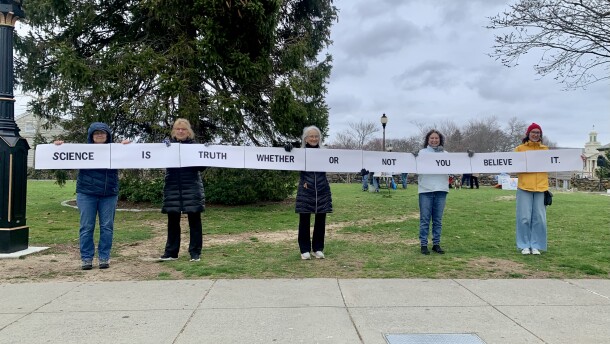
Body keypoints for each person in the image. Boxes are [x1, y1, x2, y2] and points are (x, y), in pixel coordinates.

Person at [54, 122, 130, 270]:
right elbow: (65, 163)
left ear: (107, 135)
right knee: (86, 227)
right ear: (91, 136)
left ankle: (104, 257)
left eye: (102, 132)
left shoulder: (115, 150)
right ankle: (87, 258)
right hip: (86, 194)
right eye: (96, 133)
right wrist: (58, 147)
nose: (100, 135)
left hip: (108, 194)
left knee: (107, 227)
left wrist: (127, 147)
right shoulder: (83, 151)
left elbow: (132, 157)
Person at [159, 118, 205, 262]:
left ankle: (195, 253)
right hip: (172, 187)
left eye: (183, 129)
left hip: (191, 187)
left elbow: (202, 167)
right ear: (173, 131)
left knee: (194, 221)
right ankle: (171, 252)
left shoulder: (195, 147)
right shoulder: (166, 146)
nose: (180, 131)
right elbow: (158, 160)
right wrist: (161, 149)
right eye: (177, 129)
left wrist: (205, 152)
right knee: (172, 221)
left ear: (188, 131)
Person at [286, 126, 332, 259]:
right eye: (311, 136)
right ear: (305, 139)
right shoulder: (300, 152)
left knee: (321, 220)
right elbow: (288, 158)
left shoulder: (325, 152)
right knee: (304, 219)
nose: (314, 138)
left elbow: (343, 161)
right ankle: (304, 249)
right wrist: (287, 149)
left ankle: (318, 248)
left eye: (316, 136)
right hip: (306, 188)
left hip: (322, 189)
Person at [514, 123, 549, 255]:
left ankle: (536, 245)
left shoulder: (545, 149)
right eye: (533, 132)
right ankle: (524, 245)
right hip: (524, 187)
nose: (535, 134)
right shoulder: (520, 149)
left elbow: (561, 161)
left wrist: (578, 160)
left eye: (538, 132)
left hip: (541, 187)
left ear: (540, 135)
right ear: (528, 134)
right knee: (524, 218)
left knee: (539, 218)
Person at [416, 129, 449, 255]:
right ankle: (423, 244)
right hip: (425, 189)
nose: (434, 140)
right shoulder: (421, 153)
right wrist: (412, 157)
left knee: (438, 220)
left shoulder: (446, 154)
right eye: (432, 138)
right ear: (427, 140)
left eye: (436, 138)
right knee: (425, 219)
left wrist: (469, 158)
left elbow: (458, 165)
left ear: (440, 139)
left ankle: (436, 244)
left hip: (441, 189)